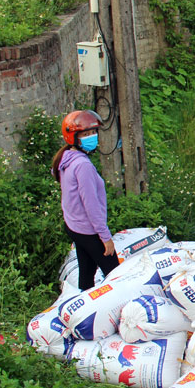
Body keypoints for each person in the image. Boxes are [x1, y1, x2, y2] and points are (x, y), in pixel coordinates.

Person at [52, 110, 119, 291]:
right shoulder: (83, 165)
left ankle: (85, 305)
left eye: (93, 132)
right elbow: (91, 206)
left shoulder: (65, 159)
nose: (92, 137)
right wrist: (105, 238)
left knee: (87, 273)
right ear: (73, 137)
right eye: (86, 134)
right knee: (117, 275)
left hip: (74, 227)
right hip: (89, 231)